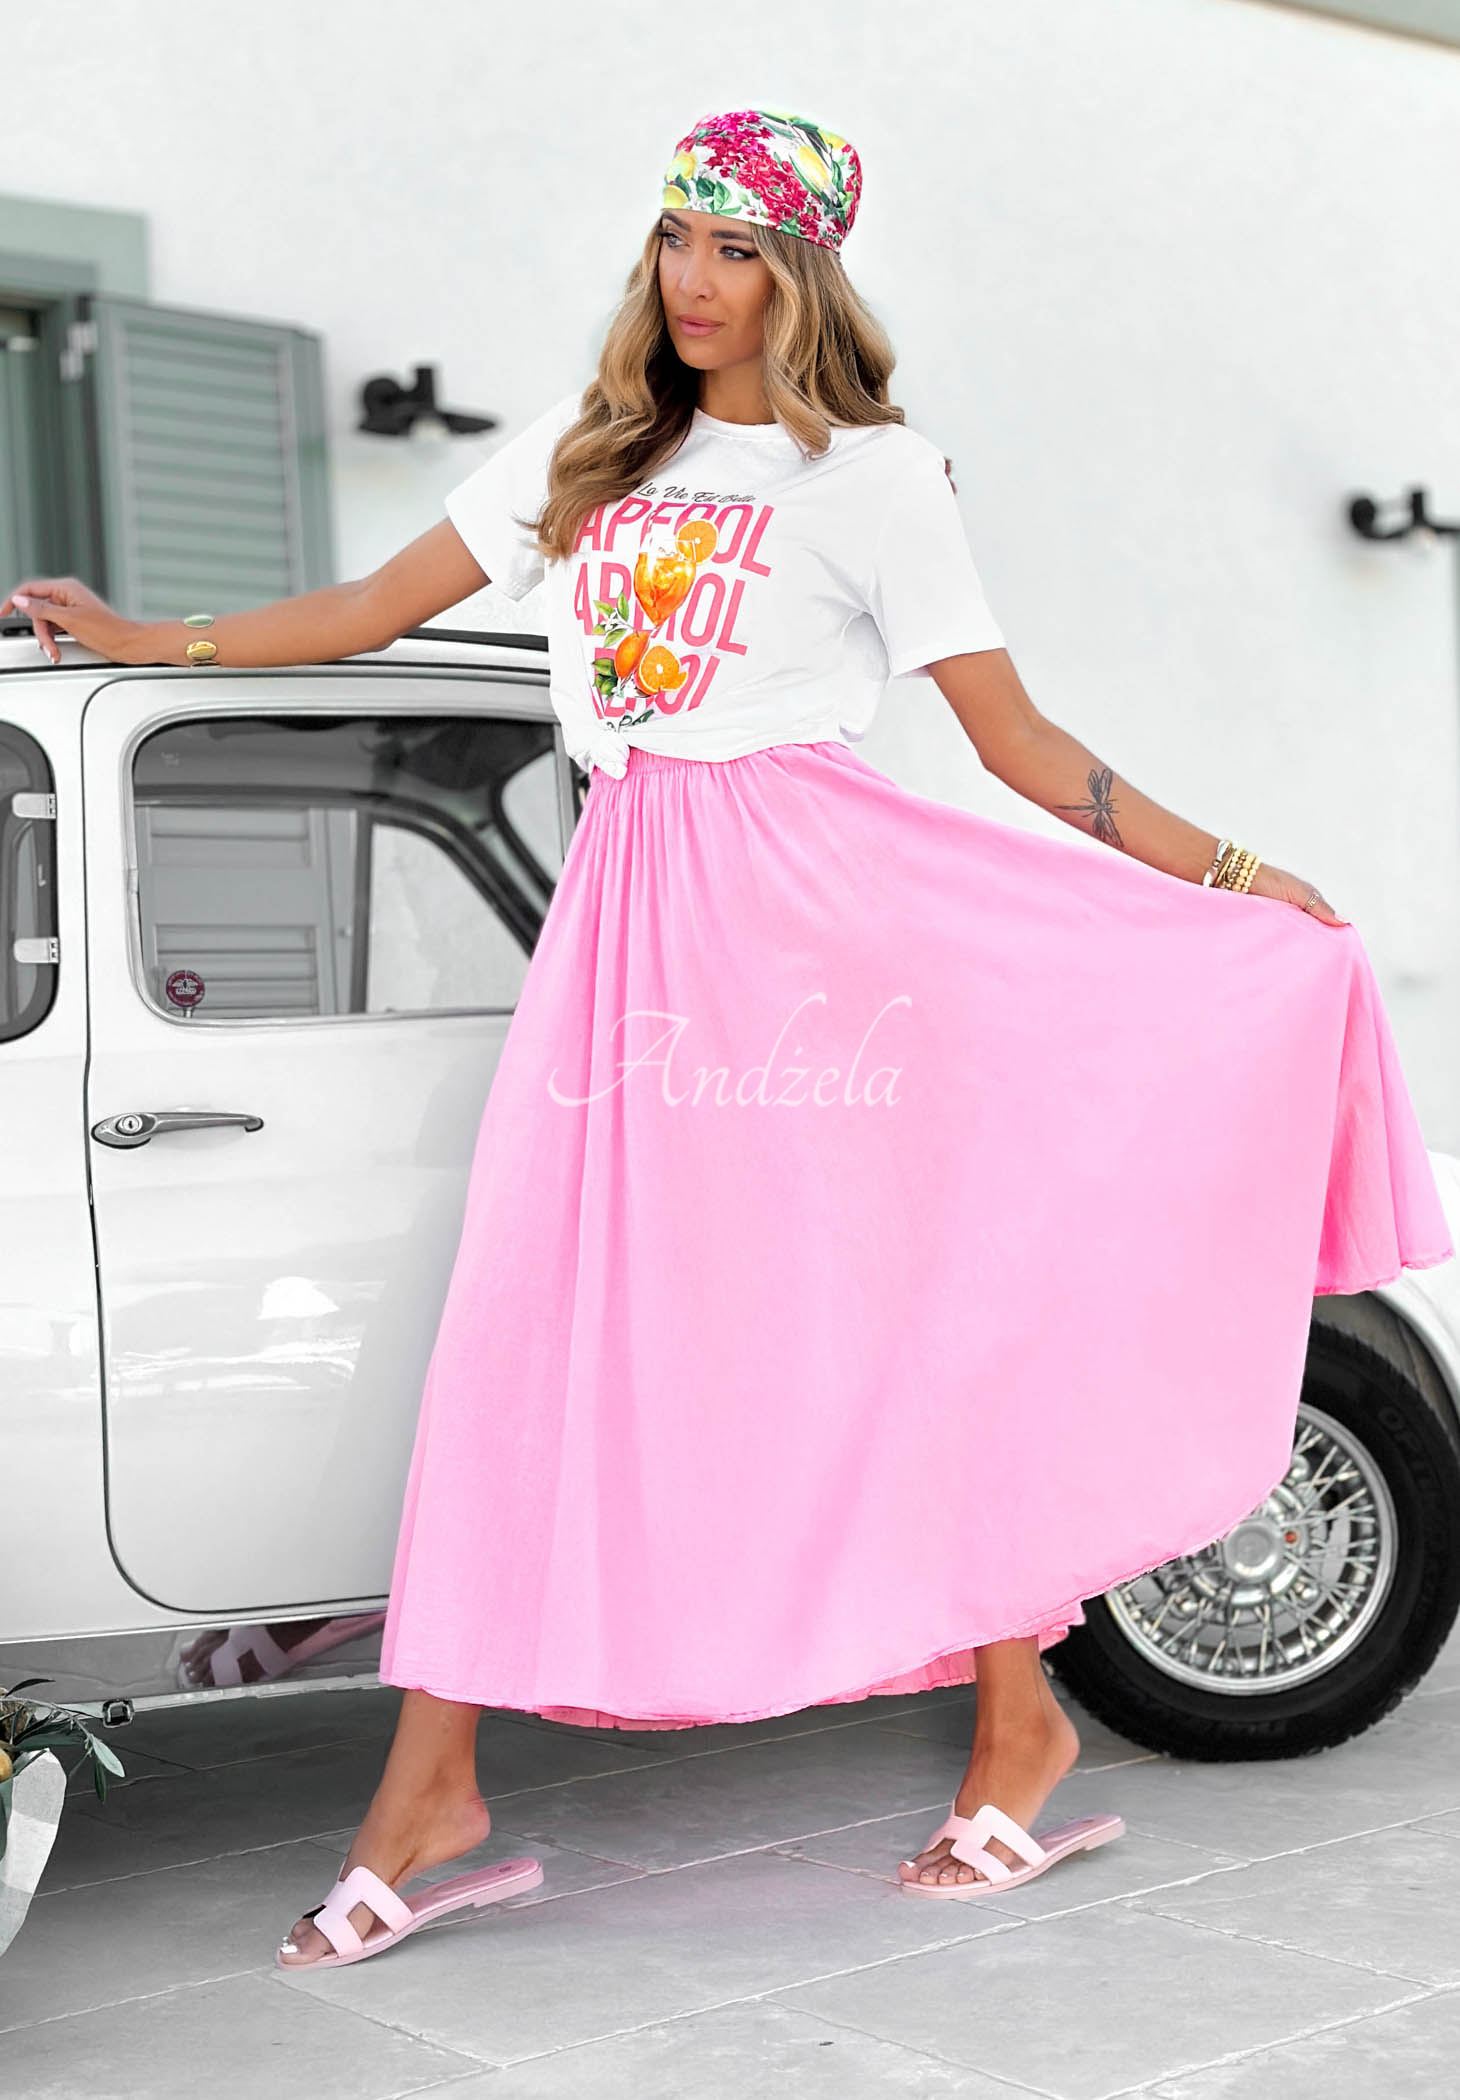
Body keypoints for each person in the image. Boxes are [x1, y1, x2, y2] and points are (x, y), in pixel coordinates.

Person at [6, 106, 1452, 1965]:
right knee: (531, 1344)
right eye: (679, 238)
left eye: (739, 248)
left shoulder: (878, 481)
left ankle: (1017, 1726)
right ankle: (433, 1790)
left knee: (889, 1329)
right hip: (625, 931)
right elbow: (372, 608)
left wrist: (1239, 874)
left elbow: (1017, 745)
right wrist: (152, 636)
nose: (695, 279)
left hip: (819, 936)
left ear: (805, 272)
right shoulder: (591, 447)